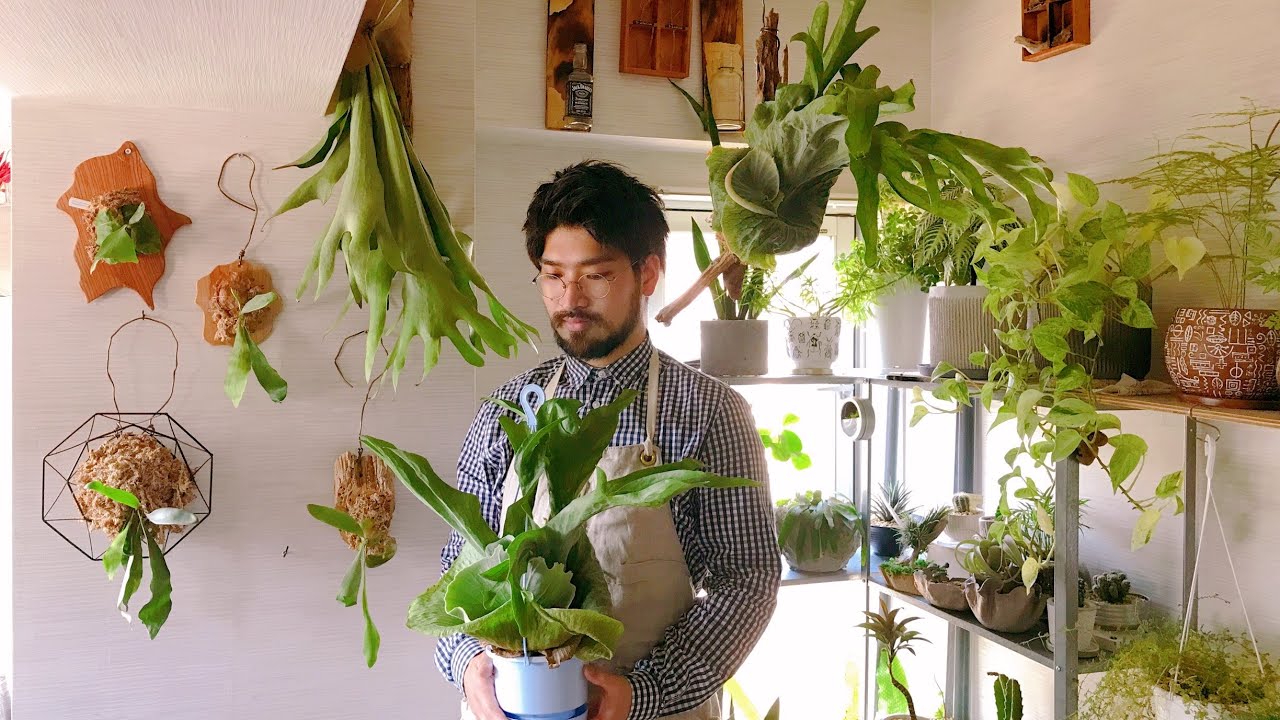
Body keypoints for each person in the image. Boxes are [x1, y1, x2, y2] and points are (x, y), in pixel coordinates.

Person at [437, 160, 780, 720]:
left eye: (595, 276)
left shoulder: (710, 412)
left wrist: (642, 693)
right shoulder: (504, 412)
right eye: (553, 276)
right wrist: (468, 665)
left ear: (648, 275)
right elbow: (457, 568)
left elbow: (747, 580)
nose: (570, 299)